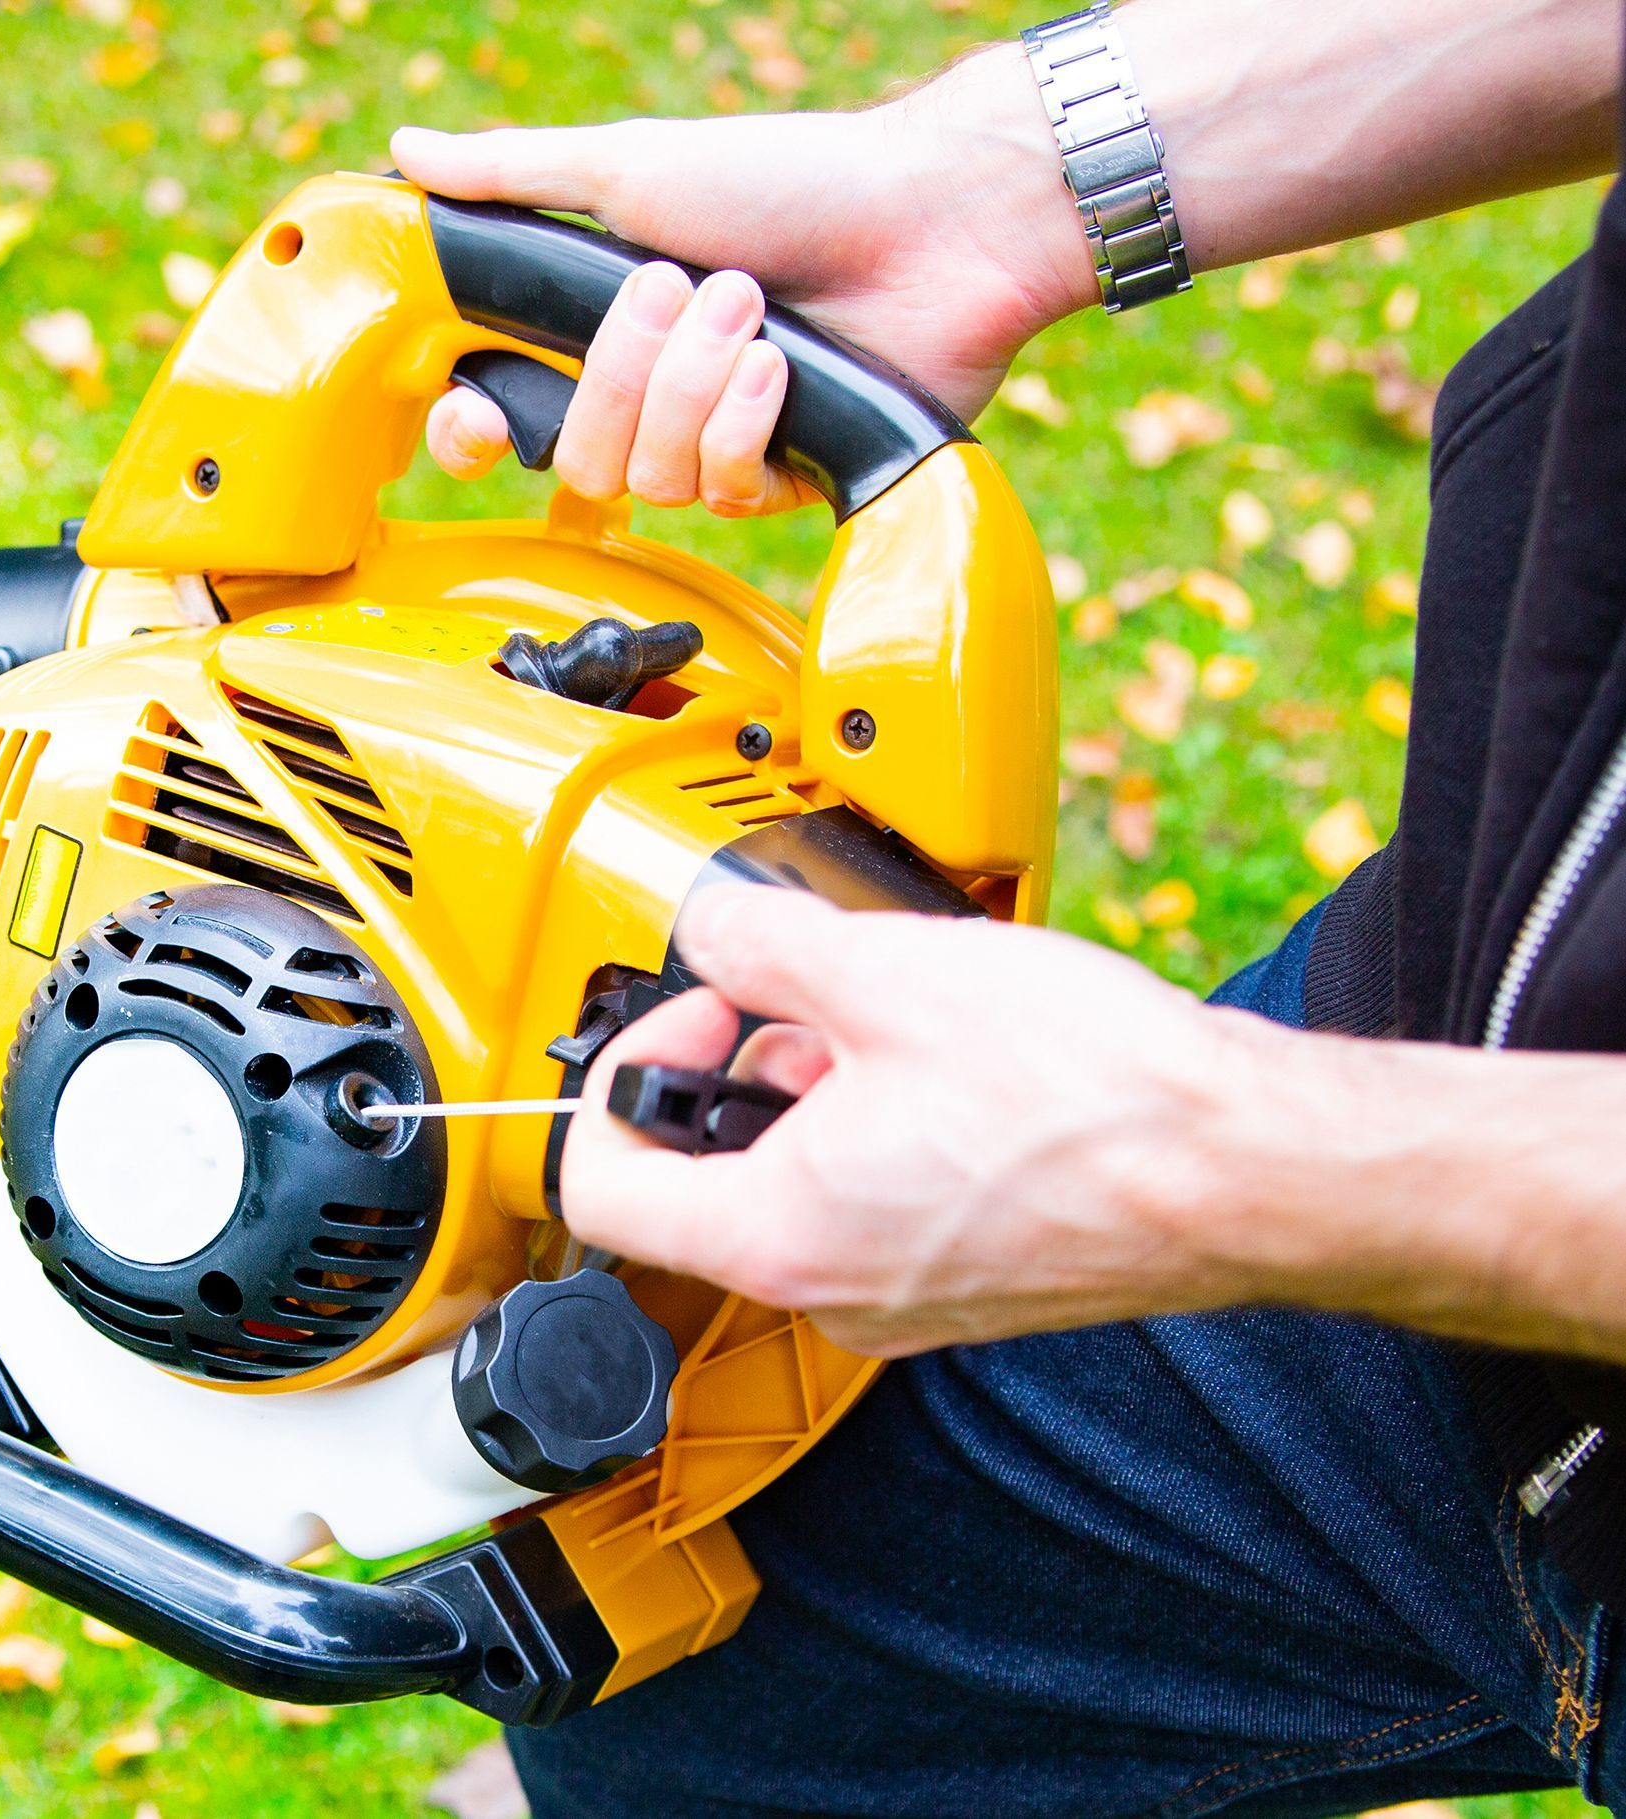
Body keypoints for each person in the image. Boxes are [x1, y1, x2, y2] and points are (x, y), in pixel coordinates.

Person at [393, 0, 1626, 1809]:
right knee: (706, 1731)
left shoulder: (1247, 1159)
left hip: (1414, 1173)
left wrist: (1227, 1167)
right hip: (1470, 1026)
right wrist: (1000, 190)